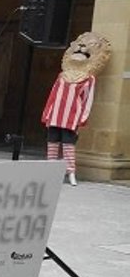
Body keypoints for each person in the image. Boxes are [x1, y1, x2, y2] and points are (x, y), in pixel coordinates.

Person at [41, 31, 112, 186]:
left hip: (71, 117)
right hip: (55, 115)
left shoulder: (88, 79)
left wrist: (82, 119)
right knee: (52, 142)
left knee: (68, 145)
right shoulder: (62, 76)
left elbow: (88, 100)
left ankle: (70, 171)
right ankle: (50, 170)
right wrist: (47, 113)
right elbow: (53, 96)